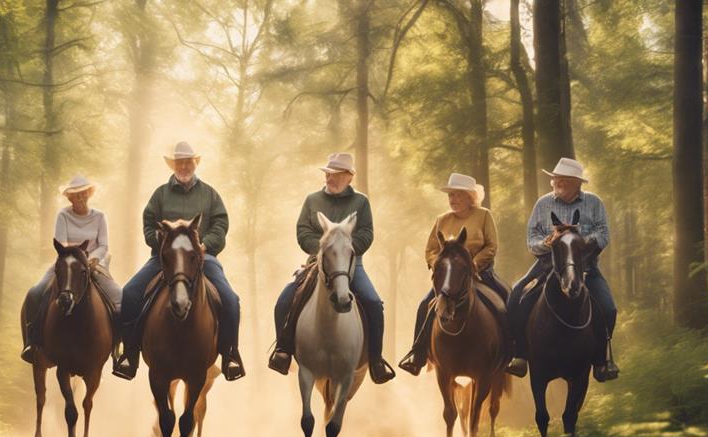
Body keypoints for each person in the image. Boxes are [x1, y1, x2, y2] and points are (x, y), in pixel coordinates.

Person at [113, 141, 245, 381]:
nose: (184, 166)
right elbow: (149, 222)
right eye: (180, 162)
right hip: (165, 259)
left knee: (230, 299)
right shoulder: (160, 194)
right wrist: (162, 242)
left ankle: (230, 355)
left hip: (201, 258)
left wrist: (205, 245)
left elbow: (221, 224)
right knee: (130, 293)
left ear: (195, 163)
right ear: (173, 165)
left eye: (188, 162)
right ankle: (130, 354)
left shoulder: (210, 194)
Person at [267, 152, 396, 384]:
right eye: (328, 174)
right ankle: (283, 351)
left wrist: (346, 250)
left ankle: (375, 360)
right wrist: (324, 251)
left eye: (336, 175)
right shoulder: (312, 200)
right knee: (284, 300)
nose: (330, 179)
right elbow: (303, 230)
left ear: (349, 177)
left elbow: (367, 232)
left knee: (374, 304)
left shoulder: (361, 202)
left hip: (351, 265)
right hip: (316, 262)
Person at [505, 157, 620, 382]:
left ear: (578, 183)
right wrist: (550, 241)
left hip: (585, 267)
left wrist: (578, 241)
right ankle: (520, 355)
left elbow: (604, 235)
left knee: (608, 308)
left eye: (565, 180)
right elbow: (531, 239)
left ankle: (601, 361)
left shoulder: (594, 203)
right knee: (515, 296)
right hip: (546, 266)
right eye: (557, 179)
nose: (559, 182)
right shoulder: (543, 204)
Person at [398, 173, 509, 376]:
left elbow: (492, 246)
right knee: (425, 305)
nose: (453, 200)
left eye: (458, 195)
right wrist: (438, 265)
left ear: (470, 197)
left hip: (481, 273)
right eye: (450, 195)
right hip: (449, 277)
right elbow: (431, 249)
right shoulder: (442, 220)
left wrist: (473, 265)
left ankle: (512, 353)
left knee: (505, 302)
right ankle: (418, 354)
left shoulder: (484, 215)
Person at [21, 175, 121, 363]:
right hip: (67, 262)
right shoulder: (63, 215)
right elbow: (61, 243)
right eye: (76, 194)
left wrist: (91, 259)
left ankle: (118, 348)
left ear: (89, 194)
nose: (81, 197)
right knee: (35, 293)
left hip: (95, 262)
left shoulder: (99, 217)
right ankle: (32, 342)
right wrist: (76, 259)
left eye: (83, 193)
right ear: (70, 198)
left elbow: (104, 245)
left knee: (119, 297)